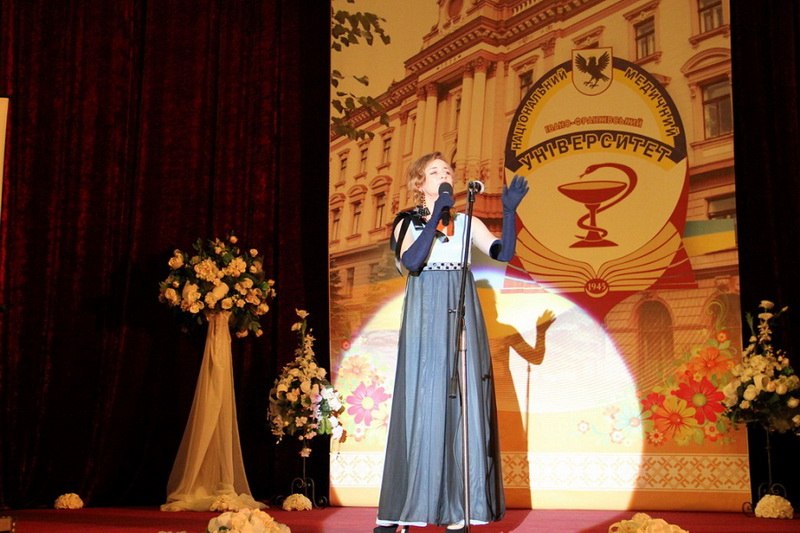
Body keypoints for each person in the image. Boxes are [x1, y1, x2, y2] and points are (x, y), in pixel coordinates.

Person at [374, 152, 529, 532]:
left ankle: (459, 507)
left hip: (462, 309)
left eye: (447, 170)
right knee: (424, 397)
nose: (444, 175)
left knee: (464, 400)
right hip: (426, 312)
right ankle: (405, 508)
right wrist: (436, 215)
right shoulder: (406, 222)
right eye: (434, 171)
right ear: (419, 183)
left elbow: (503, 253)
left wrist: (509, 213)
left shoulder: (468, 222)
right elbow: (412, 261)